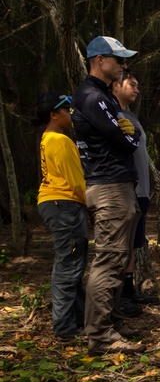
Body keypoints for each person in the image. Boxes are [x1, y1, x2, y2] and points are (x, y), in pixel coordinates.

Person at [72, 36, 145, 355]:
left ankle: (109, 322)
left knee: (117, 258)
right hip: (109, 185)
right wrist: (126, 134)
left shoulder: (101, 96)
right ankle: (100, 335)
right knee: (109, 257)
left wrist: (127, 133)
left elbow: (129, 133)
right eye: (118, 60)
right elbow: (124, 139)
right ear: (100, 61)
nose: (123, 65)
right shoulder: (92, 97)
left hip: (117, 184)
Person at [35, 92, 88, 341]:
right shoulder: (60, 140)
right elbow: (76, 181)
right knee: (69, 264)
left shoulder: (48, 139)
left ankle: (80, 318)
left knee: (71, 263)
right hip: (64, 204)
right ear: (53, 115)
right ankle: (65, 327)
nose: (70, 114)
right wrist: (92, 206)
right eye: (65, 110)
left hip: (53, 203)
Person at [113, 70, 156, 307]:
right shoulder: (111, 115)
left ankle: (129, 290)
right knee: (121, 244)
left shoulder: (130, 116)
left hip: (141, 191)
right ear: (117, 86)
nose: (137, 90)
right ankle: (117, 295)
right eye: (133, 84)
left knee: (133, 244)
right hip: (125, 190)